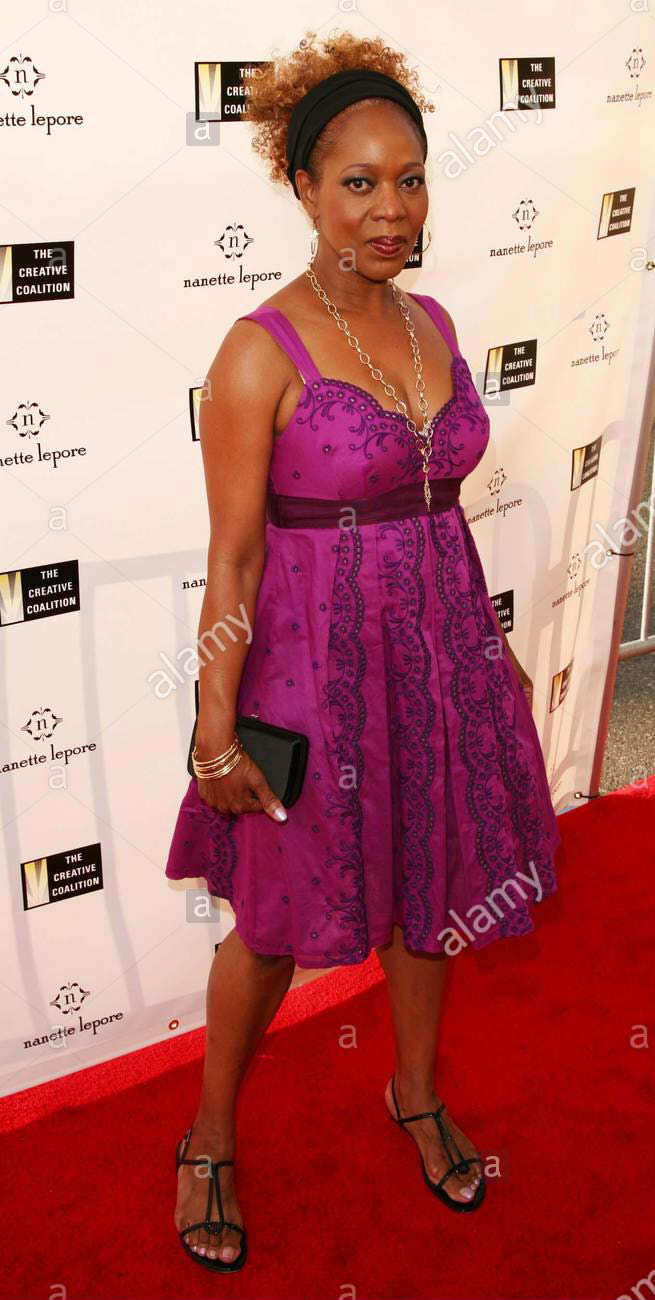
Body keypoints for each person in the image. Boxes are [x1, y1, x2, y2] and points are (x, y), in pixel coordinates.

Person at [166, 31, 561, 1273]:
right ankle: (209, 1138)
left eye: (410, 178)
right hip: (309, 676)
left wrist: (485, 653)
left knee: (431, 891)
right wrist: (213, 722)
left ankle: (414, 1092)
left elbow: (438, 507)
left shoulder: (433, 319)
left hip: (438, 658)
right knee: (271, 923)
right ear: (301, 187)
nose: (391, 208)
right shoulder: (258, 350)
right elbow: (234, 556)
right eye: (357, 182)